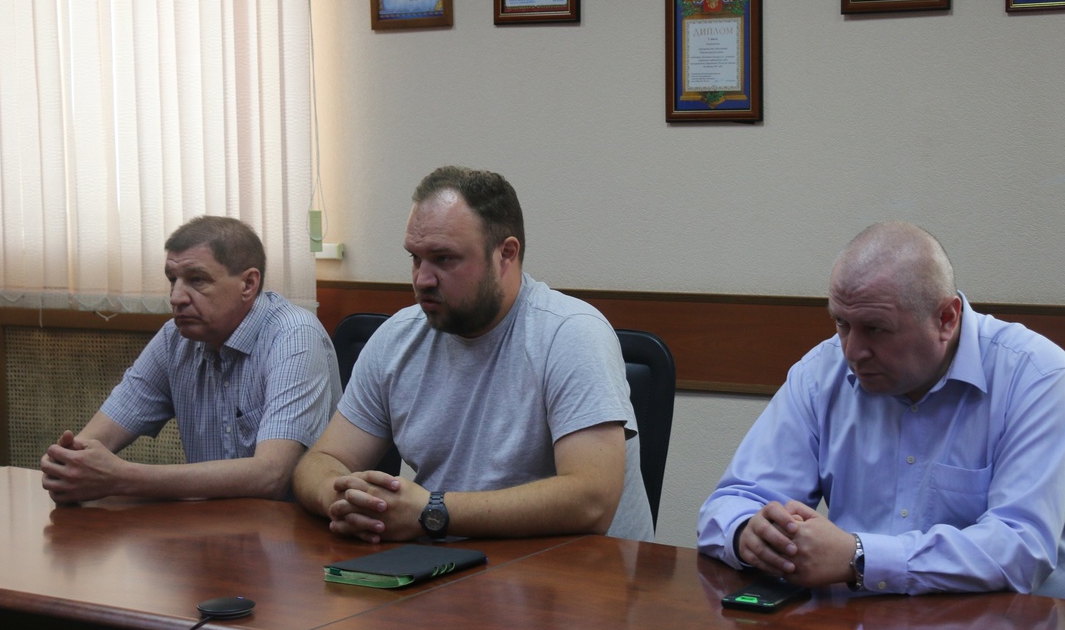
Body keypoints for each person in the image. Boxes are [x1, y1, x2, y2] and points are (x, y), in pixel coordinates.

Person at [697, 221, 1065, 601]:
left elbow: (1021, 548)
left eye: (875, 328)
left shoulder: (1037, 375)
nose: (852, 351)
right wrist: (750, 534)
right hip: (871, 622)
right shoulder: (821, 373)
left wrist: (859, 557)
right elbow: (731, 502)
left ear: (946, 319)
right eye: (841, 323)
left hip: (1025, 626)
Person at [293, 166, 653, 543]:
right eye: (415, 258)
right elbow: (321, 462)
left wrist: (431, 511)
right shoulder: (396, 339)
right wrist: (345, 501)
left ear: (506, 254)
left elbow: (591, 501)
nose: (422, 279)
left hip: (576, 572)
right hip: (447, 564)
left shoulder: (572, 333)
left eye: (444, 259)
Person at [40, 216, 341, 503]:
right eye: (173, 279)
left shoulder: (293, 336)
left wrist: (121, 477)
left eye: (197, 280)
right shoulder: (174, 339)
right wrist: (68, 465)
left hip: (288, 529)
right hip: (206, 527)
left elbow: (272, 475)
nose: (176, 297)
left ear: (248, 284)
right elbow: (92, 440)